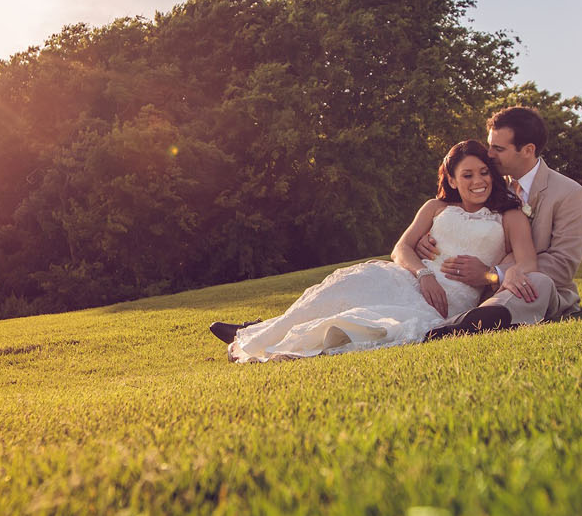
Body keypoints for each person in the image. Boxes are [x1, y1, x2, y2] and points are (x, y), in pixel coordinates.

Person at [221, 140, 540, 362]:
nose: (478, 181)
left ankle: (277, 340)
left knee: (368, 322)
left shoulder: (508, 215)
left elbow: (528, 263)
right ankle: (259, 333)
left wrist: (489, 274)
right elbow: (400, 248)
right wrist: (424, 273)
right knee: (344, 287)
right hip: (406, 278)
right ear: (454, 181)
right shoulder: (436, 206)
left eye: (484, 172)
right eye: (467, 175)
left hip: (448, 300)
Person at [419, 104, 582, 338]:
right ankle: (468, 320)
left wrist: (495, 274)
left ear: (528, 150)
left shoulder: (569, 193)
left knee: (537, 281)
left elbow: (563, 265)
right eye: (490, 145)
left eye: (498, 148)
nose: (489, 154)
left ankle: (470, 323)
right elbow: (457, 216)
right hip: (473, 291)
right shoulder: (488, 183)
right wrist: (428, 240)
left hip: (534, 289)